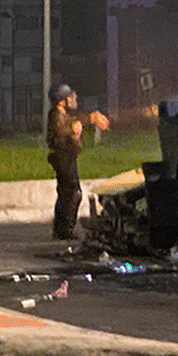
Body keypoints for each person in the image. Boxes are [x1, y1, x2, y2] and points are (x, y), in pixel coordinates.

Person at [46, 84, 109, 240]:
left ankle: (62, 229)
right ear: (62, 100)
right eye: (70, 98)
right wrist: (84, 122)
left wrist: (91, 118)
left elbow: (75, 121)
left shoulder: (64, 115)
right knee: (72, 193)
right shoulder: (57, 115)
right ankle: (64, 230)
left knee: (67, 193)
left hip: (67, 157)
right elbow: (64, 129)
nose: (74, 100)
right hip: (63, 159)